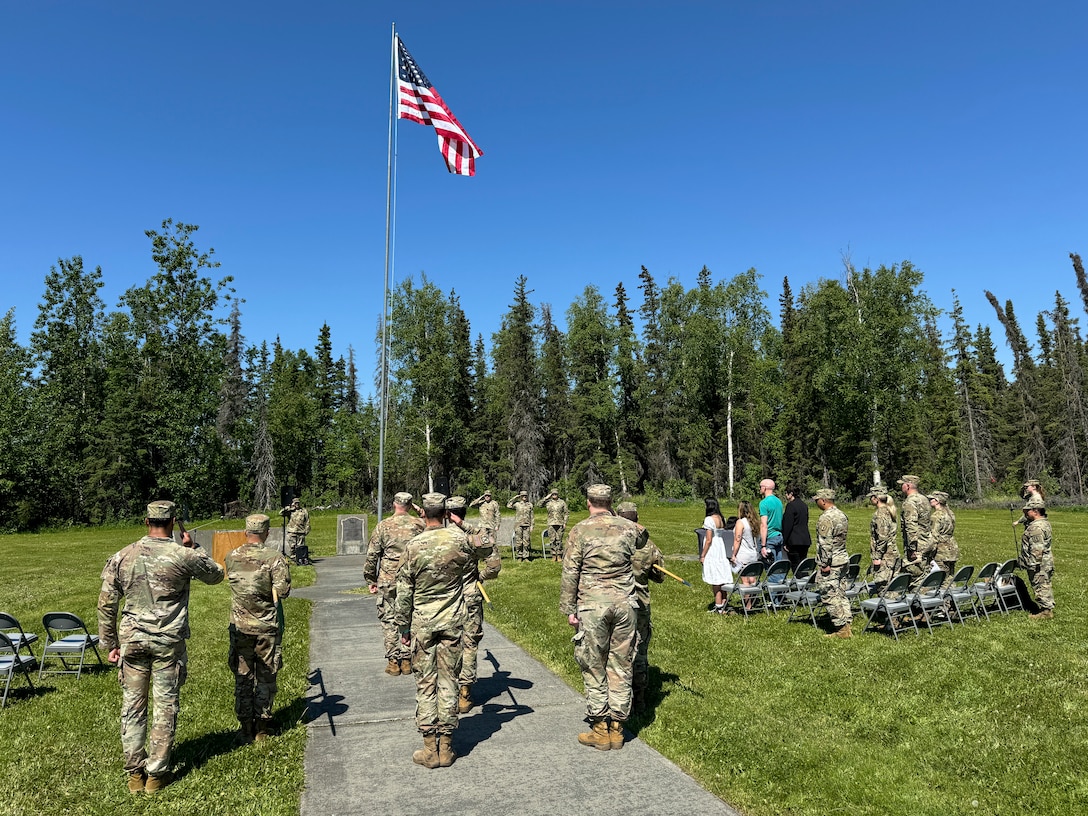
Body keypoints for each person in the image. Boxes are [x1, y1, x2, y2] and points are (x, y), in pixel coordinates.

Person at [97, 500, 224, 794]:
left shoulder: (122, 556)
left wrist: (109, 643)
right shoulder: (182, 554)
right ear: (173, 522)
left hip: (133, 642)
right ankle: (156, 773)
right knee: (165, 706)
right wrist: (194, 547)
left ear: (146, 521)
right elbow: (216, 575)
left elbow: (106, 603)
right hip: (168, 642)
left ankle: (134, 774)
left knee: (133, 706)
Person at [394, 492, 474, 768]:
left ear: (424, 514)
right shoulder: (459, 540)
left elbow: (403, 592)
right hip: (452, 621)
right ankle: (446, 746)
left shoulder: (413, 546)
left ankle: (430, 747)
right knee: (449, 680)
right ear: (445, 513)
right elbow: (488, 552)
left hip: (423, 624)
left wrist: (403, 626)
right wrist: (462, 525)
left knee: (426, 684)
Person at [560, 484, 640, 751]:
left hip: (593, 605)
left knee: (593, 664)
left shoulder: (580, 530)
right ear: (610, 501)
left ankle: (600, 727)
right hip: (624, 604)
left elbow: (571, 571)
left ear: (588, 502)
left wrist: (569, 609)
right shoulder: (629, 527)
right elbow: (642, 540)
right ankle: (617, 728)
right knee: (621, 663)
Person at [225, 513, 291, 743]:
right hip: (266, 627)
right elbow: (282, 591)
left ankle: (244, 727)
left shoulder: (231, 556)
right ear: (267, 532)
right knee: (265, 676)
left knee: (243, 676)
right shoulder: (275, 558)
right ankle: (262, 727)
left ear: (246, 532)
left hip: (240, 626)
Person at [445, 495, 501, 714]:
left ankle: (449, 690)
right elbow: (494, 565)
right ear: (465, 512)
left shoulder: (438, 536)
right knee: (469, 644)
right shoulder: (473, 537)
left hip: (444, 599)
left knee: (446, 644)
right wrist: (481, 576)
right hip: (469, 596)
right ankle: (465, 691)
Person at [364, 491, 425, 676]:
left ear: (394, 504)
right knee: (410, 616)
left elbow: (372, 554)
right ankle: (407, 658)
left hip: (388, 579)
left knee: (389, 619)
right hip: (412, 577)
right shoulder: (419, 525)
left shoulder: (383, 526)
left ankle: (393, 661)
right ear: (409, 505)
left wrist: (370, 578)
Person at [617, 500, 664, 714]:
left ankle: (619, 698)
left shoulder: (611, 542)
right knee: (640, 650)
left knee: (618, 651)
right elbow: (660, 575)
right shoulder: (647, 545)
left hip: (617, 603)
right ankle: (640, 699)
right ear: (637, 518)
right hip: (640, 604)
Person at [813, 488, 852, 638]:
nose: (816, 502)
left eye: (817, 499)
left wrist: (825, 563)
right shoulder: (841, 515)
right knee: (841, 593)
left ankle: (841, 627)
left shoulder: (826, 518)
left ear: (823, 500)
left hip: (832, 561)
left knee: (829, 593)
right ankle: (847, 622)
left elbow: (825, 543)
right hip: (842, 557)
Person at [1019, 495, 1054, 620]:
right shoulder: (1044, 523)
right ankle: (1046, 608)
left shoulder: (1036, 527)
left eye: (1027, 511)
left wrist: (1033, 565)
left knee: (1040, 585)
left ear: (1035, 511)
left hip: (1039, 564)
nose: (1025, 513)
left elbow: (1037, 548)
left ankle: (1046, 611)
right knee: (1045, 584)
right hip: (1046, 561)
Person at [897, 474, 934, 592]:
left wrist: (912, 548)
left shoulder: (910, 502)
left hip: (917, 545)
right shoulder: (924, 499)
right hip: (927, 541)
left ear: (908, 486)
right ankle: (930, 605)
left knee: (916, 579)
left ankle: (919, 607)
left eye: (902, 484)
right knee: (925, 575)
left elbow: (911, 526)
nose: (901, 486)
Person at [699, 497, 731, 613]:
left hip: (713, 549)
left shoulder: (709, 519)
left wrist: (703, 555)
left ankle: (718, 605)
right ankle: (724, 602)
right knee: (721, 574)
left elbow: (708, 539)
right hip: (720, 546)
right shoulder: (721, 518)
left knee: (715, 578)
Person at [730, 500, 761, 609]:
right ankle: (752, 601)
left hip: (743, 554)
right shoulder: (755, 522)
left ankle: (747, 604)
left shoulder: (741, 522)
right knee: (752, 579)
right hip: (753, 553)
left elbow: (737, 539)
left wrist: (733, 554)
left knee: (745, 581)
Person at [867, 486, 899, 593]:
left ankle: (886, 609)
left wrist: (877, 556)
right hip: (892, 553)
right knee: (893, 587)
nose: (870, 499)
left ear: (876, 498)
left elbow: (882, 537)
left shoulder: (881, 514)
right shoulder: (890, 511)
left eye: (871, 497)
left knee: (883, 587)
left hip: (885, 556)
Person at [929, 491, 959, 591]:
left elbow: (934, 536)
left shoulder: (936, 516)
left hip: (941, 551)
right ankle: (952, 601)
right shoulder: (950, 513)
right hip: (952, 548)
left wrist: (929, 552)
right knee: (950, 577)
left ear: (937, 501)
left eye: (931, 499)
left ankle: (944, 603)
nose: (930, 501)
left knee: (941, 579)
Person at [781, 484, 812, 572]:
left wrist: (785, 541)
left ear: (791, 494)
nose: (786, 496)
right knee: (803, 565)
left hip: (794, 540)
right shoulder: (804, 505)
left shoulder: (791, 506)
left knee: (796, 566)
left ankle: (799, 583)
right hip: (805, 539)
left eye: (786, 494)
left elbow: (788, 525)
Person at [758, 479, 785, 564]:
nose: (759, 489)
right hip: (779, 536)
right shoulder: (779, 501)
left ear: (765, 488)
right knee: (778, 566)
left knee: (770, 567)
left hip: (769, 537)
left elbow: (764, 525)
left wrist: (763, 545)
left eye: (760, 487)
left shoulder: (764, 503)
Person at [539, 489, 570, 560]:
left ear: (558, 494)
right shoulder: (548, 502)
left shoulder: (562, 502)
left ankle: (559, 554)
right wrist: (546, 498)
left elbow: (566, 513)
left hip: (560, 523)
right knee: (552, 540)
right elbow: (539, 505)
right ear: (551, 495)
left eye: (555, 494)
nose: (554, 495)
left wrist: (565, 522)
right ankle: (553, 554)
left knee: (559, 540)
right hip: (551, 523)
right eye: (553, 494)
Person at [282, 498, 311, 565]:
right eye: (295, 503)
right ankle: (293, 558)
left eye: (297, 503)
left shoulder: (303, 511)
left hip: (301, 531)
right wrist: (288, 508)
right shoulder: (290, 511)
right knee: (292, 546)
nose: (296, 504)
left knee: (300, 547)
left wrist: (307, 529)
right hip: (292, 531)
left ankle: (300, 559)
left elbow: (307, 521)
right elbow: (281, 513)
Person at [507, 490, 534, 561]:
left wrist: (532, 526)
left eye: (525, 496)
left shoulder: (530, 505)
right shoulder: (517, 504)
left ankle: (526, 557)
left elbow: (532, 516)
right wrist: (515, 497)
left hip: (527, 525)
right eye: (522, 496)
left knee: (526, 542)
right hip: (518, 525)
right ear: (520, 497)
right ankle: (519, 556)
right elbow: (508, 505)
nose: (524, 497)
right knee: (519, 542)